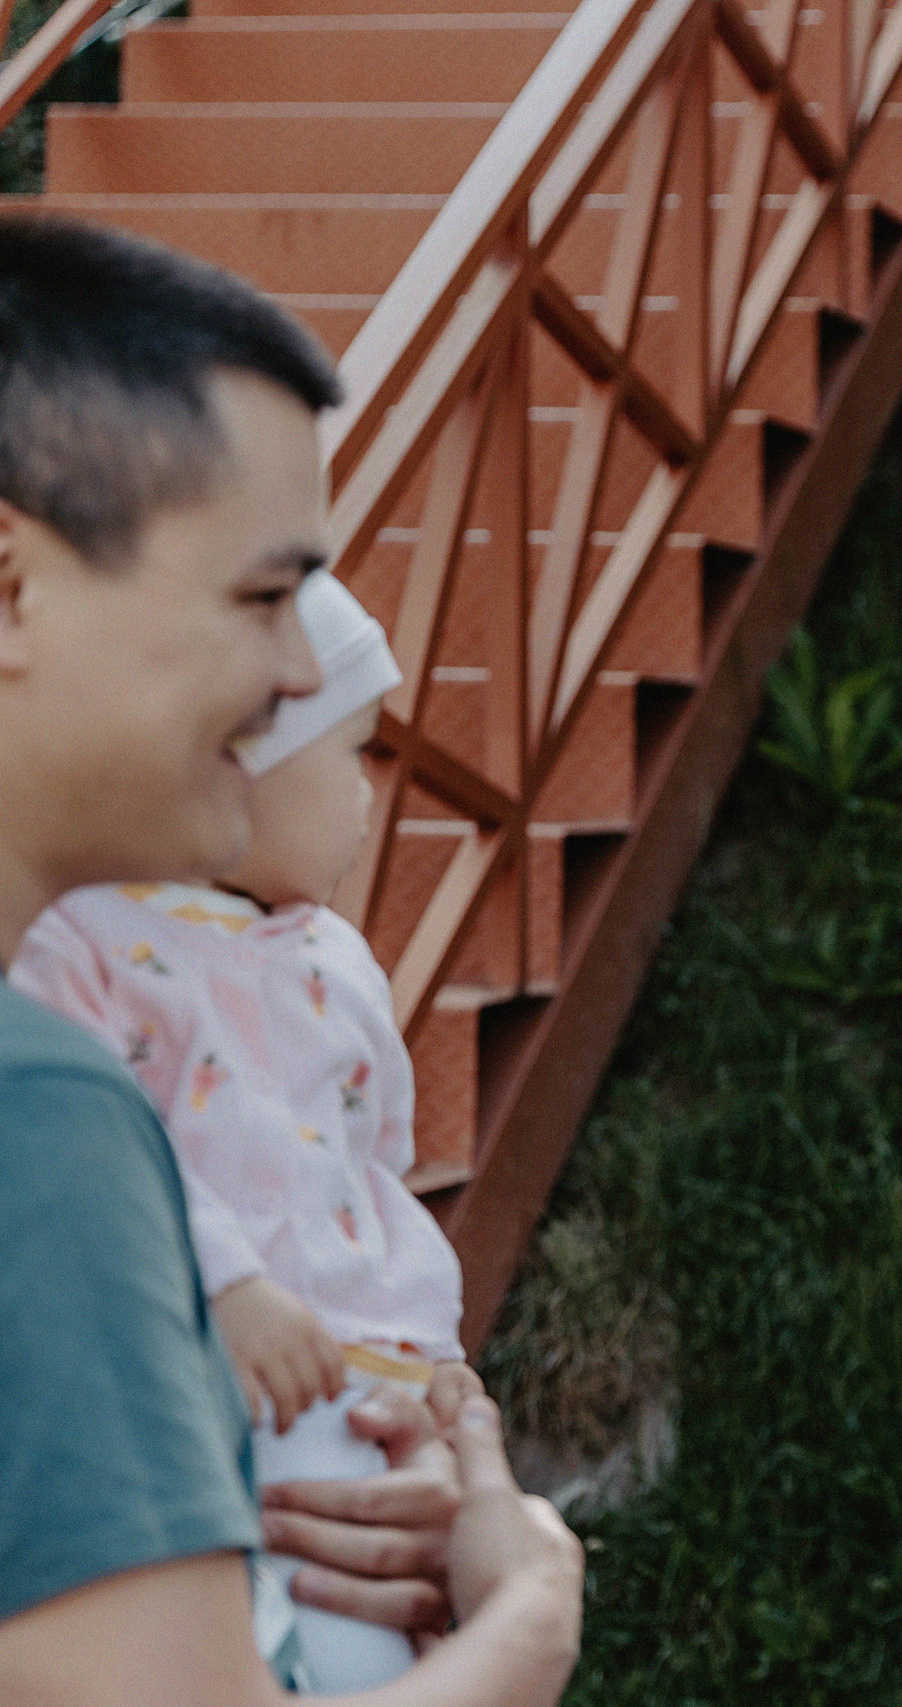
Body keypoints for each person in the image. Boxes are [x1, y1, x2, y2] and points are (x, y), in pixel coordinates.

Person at [0, 211, 583, 1703]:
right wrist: (525, 1620)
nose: (294, 675)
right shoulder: (41, 1114)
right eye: (265, 596)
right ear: (14, 585)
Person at [14, 570, 468, 1690]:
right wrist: (229, 1282)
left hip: (373, 1368)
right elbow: (109, 1150)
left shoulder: (335, 960)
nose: (371, 797)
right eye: (351, 753)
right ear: (244, 769)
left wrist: (444, 1356)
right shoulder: (89, 938)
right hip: (229, 1373)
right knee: (321, 1631)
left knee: (399, 1621)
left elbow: (375, 1170)